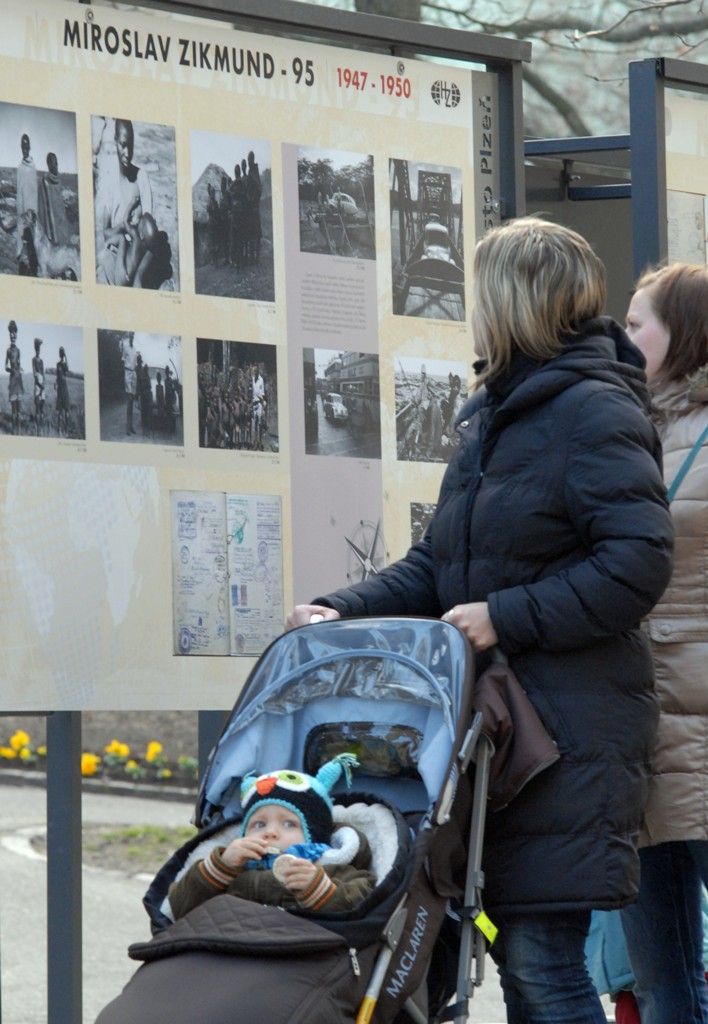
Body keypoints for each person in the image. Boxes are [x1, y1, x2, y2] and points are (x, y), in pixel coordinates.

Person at [287, 217, 674, 1024]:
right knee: (522, 959)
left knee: (541, 962)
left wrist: (506, 616)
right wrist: (339, 608)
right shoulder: (494, 415)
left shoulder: (591, 411)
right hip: (508, 737)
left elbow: (637, 566)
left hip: (567, 737)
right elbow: (440, 565)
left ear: (513, 301)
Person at [618, 263, 708, 1024]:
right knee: (658, 974)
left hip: (701, 717)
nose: (623, 336)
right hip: (640, 718)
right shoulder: (624, 424)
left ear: (684, 333)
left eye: (637, 322)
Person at [168, 754, 375, 920]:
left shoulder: (331, 868)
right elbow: (179, 909)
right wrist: (220, 866)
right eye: (259, 824)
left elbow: (362, 904)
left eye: (288, 824)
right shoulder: (231, 872)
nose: (270, 832)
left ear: (314, 837)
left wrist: (318, 888)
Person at [95, 118, 153, 286]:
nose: (127, 152)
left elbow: (150, 237)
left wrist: (139, 277)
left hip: (137, 254)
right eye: (123, 145)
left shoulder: (141, 178)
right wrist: (122, 228)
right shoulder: (109, 181)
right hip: (115, 255)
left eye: (131, 145)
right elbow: (105, 233)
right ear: (115, 141)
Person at [37, 152, 71, 246]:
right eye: (52, 163)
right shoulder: (44, 182)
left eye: (56, 163)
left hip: (60, 220)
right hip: (49, 224)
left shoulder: (58, 181)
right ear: (48, 165)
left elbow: (59, 203)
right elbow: (41, 206)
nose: (55, 166)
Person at [15, 133, 38, 269]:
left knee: (33, 246)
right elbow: (20, 192)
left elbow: (33, 191)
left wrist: (34, 212)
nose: (24, 148)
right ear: (21, 147)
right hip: (22, 211)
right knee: (23, 245)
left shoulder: (33, 167)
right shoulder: (20, 168)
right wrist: (20, 213)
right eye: (22, 146)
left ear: (29, 147)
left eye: (26, 145)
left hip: (32, 213)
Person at [5, 320, 24, 434]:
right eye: (11, 333)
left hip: (19, 380)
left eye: (14, 333)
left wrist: (20, 368)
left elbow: (19, 363)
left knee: (19, 408)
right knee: (13, 408)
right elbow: (5, 366)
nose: (13, 335)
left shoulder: (19, 351)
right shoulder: (8, 351)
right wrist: (11, 369)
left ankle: (19, 431)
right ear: (9, 335)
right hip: (12, 380)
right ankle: (13, 431)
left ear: (16, 335)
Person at [119, 333, 138, 435]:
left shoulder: (135, 349)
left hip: (133, 374)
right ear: (129, 336)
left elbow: (135, 364)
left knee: (132, 402)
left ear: (134, 337)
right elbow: (122, 362)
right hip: (127, 373)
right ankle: (127, 428)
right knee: (129, 400)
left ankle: (131, 427)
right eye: (130, 335)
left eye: (133, 335)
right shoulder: (125, 347)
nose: (132, 337)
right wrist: (126, 376)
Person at [54, 346, 70, 435]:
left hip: (65, 388)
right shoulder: (58, 364)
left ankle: (66, 430)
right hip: (60, 389)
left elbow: (67, 369)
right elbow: (57, 375)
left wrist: (66, 356)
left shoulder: (64, 364)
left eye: (62, 353)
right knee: (59, 411)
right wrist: (55, 383)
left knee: (67, 411)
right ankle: (59, 430)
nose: (61, 354)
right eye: (60, 352)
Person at [31, 337, 45, 434]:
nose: (38, 350)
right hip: (37, 385)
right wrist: (40, 385)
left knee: (42, 405)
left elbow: (43, 373)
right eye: (37, 348)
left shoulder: (42, 360)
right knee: (37, 404)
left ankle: (41, 425)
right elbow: (34, 373)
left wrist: (43, 384)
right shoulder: (33, 359)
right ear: (35, 349)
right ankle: (37, 427)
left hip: (42, 384)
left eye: (39, 348)